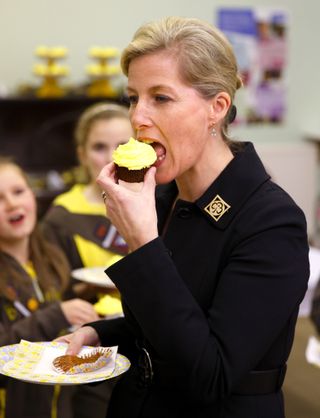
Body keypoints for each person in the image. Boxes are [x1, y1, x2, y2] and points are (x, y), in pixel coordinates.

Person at [57, 16, 310, 418]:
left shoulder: (272, 222)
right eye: (132, 97)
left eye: (161, 98)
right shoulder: (162, 196)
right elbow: (169, 323)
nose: (138, 117)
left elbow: (208, 375)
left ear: (217, 107)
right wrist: (99, 332)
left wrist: (143, 243)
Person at [41, 102, 132, 418]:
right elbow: (51, 292)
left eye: (123, 145)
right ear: (81, 155)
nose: (110, 156)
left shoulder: (157, 202)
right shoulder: (61, 216)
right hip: (90, 343)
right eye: (99, 147)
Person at [0, 157, 99, 418]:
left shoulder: (51, 257)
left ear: (32, 196)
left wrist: (87, 295)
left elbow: (56, 312)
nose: (12, 203)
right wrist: (58, 313)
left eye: (19, 192)